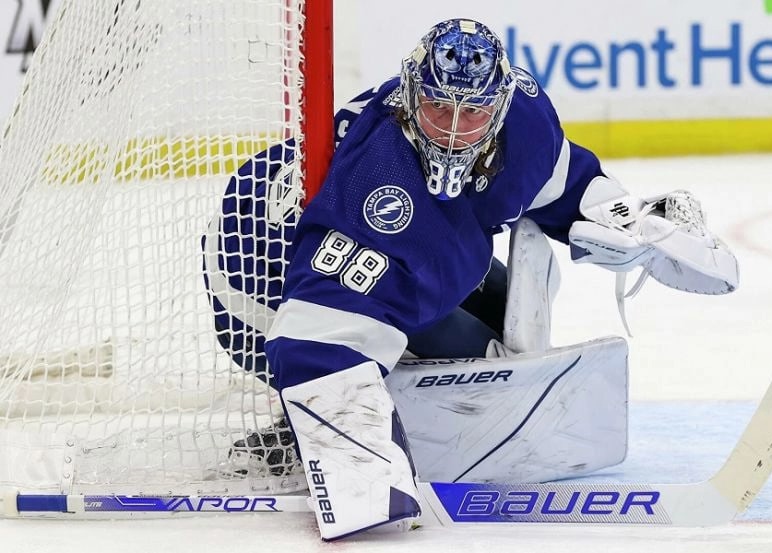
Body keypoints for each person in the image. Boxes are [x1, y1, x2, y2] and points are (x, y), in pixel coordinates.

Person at [202, 18, 739, 541]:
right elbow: (315, 339)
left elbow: (558, 180)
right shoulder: (384, 193)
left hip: (356, 230)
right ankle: (307, 426)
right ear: (411, 98)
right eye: (438, 107)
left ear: (500, 106)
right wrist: (362, 477)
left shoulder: (521, 120)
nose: (454, 129)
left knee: (498, 304)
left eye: (474, 112)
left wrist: (627, 216)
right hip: (256, 268)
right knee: (466, 351)